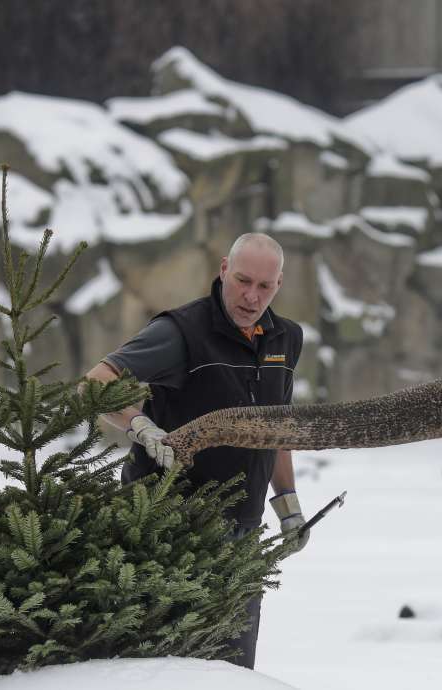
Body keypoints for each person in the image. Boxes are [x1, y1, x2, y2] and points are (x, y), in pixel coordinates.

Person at [83, 232, 307, 669]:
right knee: (166, 668)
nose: (250, 295)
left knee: (232, 670)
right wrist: (143, 428)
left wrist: (288, 504)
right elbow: (95, 382)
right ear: (223, 269)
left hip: (242, 534)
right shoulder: (181, 332)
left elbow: (276, 425)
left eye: (264, 286)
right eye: (242, 280)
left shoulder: (286, 339)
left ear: (278, 285)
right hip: (167, 529)